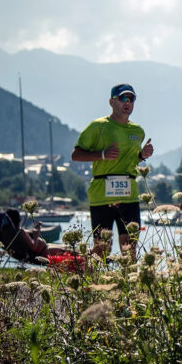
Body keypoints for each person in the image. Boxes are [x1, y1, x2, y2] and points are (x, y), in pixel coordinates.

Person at [71, 84, 153, 259]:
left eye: (131, 99)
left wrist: (142, 155)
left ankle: (129, 278)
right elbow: (76, 155)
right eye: (123, 98)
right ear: (111, 102)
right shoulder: (98, 126)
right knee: (102, 248)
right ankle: (91, 276)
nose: (127, 103)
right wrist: (102, 154)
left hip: (129, 195)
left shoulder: (138, 131)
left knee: (129, 248)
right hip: (102, 194)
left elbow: (130, 160)